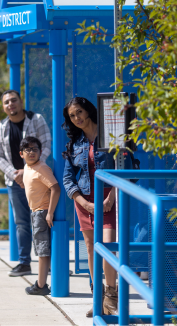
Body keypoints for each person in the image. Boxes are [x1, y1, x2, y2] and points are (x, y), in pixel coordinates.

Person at [62, 97, 118, 318]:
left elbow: (127, 169)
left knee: (108, 247)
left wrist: (111, 197)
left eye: (79, 112)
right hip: (85, 201)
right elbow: (68, 178)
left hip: (108, 199)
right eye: (72, 116)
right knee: (90, 247)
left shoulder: (111, 134)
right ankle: (98, 300)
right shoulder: (75, 143)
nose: (77, 118)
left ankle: (111, 298)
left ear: (88, 111)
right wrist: (83, 202)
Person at [0, 89, 51, 277]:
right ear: (3, 107)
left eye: (14, 100)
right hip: (15, 183)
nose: (11, 104)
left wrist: (26, 171)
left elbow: (47, 144)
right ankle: (24, 263)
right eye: (6, 102)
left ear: (20, 101)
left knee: (44, 222)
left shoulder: (37, 119)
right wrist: (15, 174)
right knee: (22, 223)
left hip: (38, 181)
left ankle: (49, 265)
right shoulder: (1, 128)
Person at [20, 136, 60, 295]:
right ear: (21, 154)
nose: (31, 152)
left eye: (34, 149)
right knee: (41, 249)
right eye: (27, 150)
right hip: (35, 211)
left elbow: (55, 188)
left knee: (42, 251)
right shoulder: (29, 168)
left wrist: (49, 213)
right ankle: (44, 280)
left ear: (41, 152)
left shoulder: (41, 167)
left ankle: (41, 285)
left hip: (42, 213)